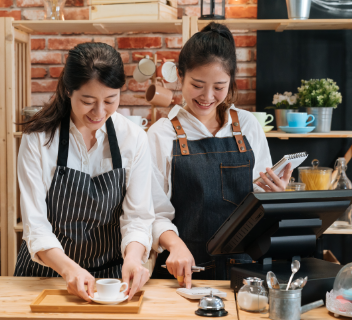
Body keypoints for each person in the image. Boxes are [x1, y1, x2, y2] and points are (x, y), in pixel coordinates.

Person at [147, 22, 292, 288]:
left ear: (231, 83)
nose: (207, 96)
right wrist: (175, 246)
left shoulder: (248, 126)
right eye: (197, 85)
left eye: (219, 86)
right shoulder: (161, 134)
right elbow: (153, 212)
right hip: (185, 273)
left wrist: (276, 196)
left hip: (248, 273)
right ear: (180, 76)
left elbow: (260, 203)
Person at [14, 42, 153, 301]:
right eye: (88, 101)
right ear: (68, 91)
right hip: (46, 275)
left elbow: (138, 217)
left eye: (110, 100)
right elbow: (35, 224)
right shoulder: (38, 139)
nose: (99, 112)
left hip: (111, 280)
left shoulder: (133, 138)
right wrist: (69, 270)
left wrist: (134, 258)